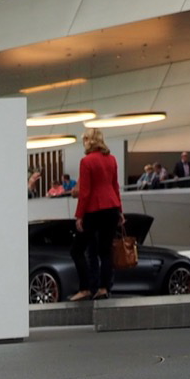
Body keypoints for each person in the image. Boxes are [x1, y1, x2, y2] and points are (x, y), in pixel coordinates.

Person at [71, 126, 122, 300]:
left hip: (94, 210)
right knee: (105, 251)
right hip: (112, 208)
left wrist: (79, 215)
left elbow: (85, 192)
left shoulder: (86, 161)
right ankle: (104, 288)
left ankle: (85, 288)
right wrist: (120, 211)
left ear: (88, 140)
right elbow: (115, 186)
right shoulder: (112, 160)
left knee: (77, 250)